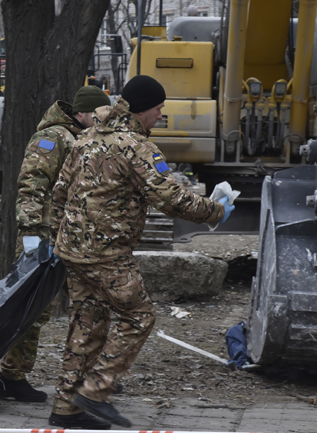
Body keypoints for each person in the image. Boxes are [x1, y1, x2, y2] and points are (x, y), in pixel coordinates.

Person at [48, 75, 234, 429]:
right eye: (159, 109)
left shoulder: (87, 137)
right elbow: (171, 198)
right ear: (145, 108)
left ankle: (65, 407)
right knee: (139, 317)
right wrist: (216, 211)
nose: (161, 116)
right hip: (106, 253)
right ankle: (95, 391)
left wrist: (65, 235)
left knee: (88, 323)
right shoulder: (136, 147)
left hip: (72, 249)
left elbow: (60, 191)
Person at [0, 86, 111, 403]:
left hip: (72, 239)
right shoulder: (52, 138)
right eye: (100, 114)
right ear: (83, 113)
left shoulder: (84, 140)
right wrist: (31, 234)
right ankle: (10, 378)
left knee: (90, 305)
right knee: (35, 309)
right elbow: (31, 185)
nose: (104, 120)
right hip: (45, 237)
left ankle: (88, 376)